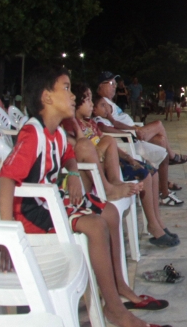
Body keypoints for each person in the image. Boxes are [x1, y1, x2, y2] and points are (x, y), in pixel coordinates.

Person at [0, 67, 172, 327]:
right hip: (32, 213)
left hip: (51, 202)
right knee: (95, 226)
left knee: (111, 212)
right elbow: (6, 178)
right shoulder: (33, 134)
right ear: (47, 98)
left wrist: (75, 173)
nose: (72, 96)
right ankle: (114, 308)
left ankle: (119, 287)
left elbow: (68, 155)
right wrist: (7, 234)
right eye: (65, 88)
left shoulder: (53, 132)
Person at [67, 84, 179, 246]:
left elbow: (105, 140)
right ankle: (153, 226)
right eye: (88, 100)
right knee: (145, 176)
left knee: (151, 171)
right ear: (77, 104)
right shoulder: (74, 126)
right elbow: (82, 147)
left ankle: (158, 222)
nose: (91, 104)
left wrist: (127, 156)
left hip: (113, 161)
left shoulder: (90, 123)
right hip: (101, 170)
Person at [94, 72, 186, 204]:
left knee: (161, 141)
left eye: (115, 83)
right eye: (111, 83)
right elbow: (106, 126)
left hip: (132, 134)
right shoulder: (102, 103)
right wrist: (133, 129)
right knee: (159, 126)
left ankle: (163, 188)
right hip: (130, 138)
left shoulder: (107, 102)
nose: (114, 86)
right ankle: (170, 166)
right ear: (100, 87)